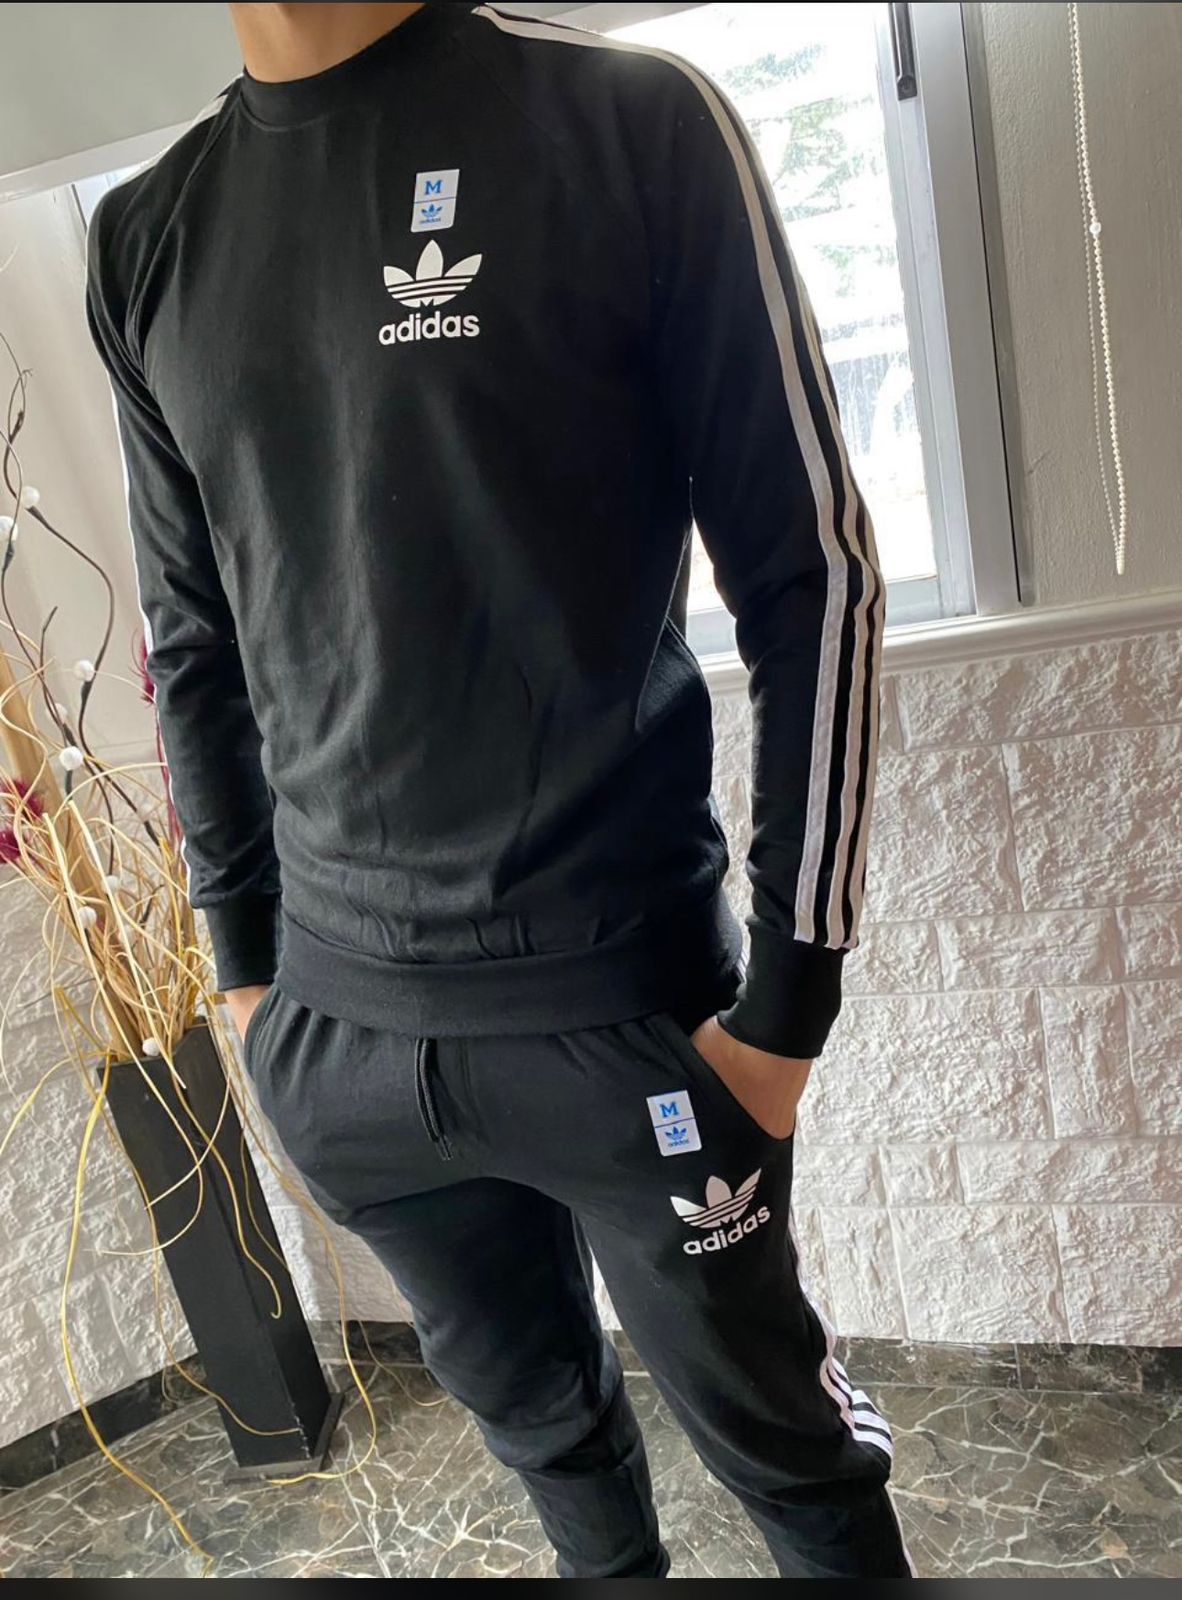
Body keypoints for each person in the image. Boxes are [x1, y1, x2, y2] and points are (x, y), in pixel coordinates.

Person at [86, 2, 911, 1580]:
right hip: (338, 1041)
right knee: (546, 1446)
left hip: (627, 1023)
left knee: (796, 1469)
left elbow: (813, 577)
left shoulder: (625, 124)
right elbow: (192, 642)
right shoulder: (144, 235)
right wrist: (244, 975)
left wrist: (784, 1013)